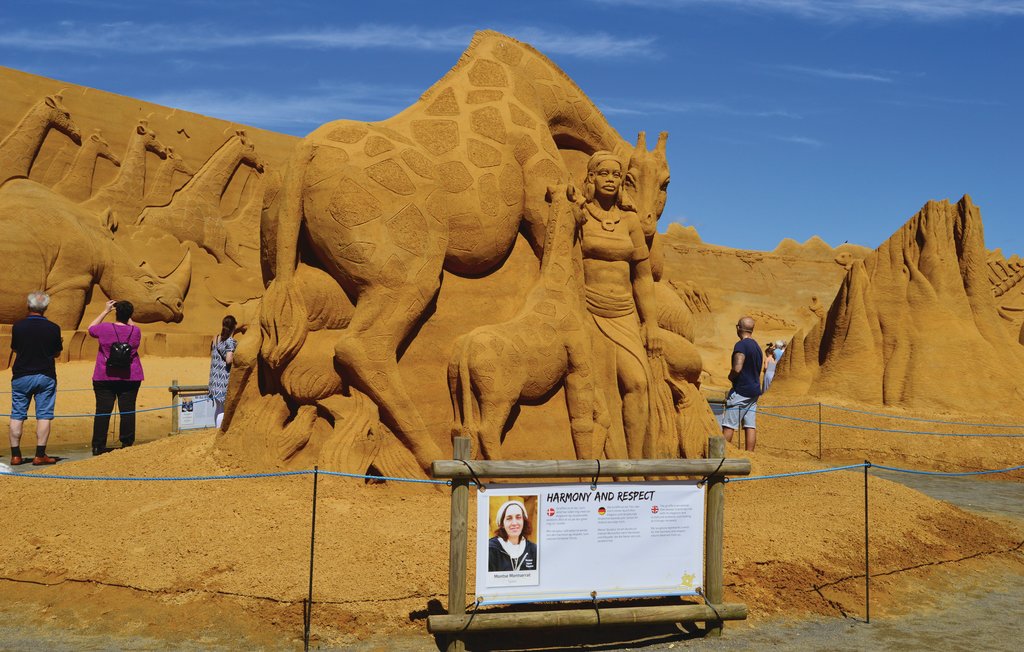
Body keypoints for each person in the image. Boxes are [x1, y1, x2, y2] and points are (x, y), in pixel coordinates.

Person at [578, 151, 662, 459]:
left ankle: (635, 462)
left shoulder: (630, 222)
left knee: (638, 383)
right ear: (591, 178)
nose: (610, 179)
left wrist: (650, 323)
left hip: (624, 314)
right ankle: (601, 461)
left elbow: (642, 277)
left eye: (616, 175)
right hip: (587, 311)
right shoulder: (582, 215)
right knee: (595, 391)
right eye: (604, 174)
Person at [8, 292, 63, 465]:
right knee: (44, 415)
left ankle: (16, 455)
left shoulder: (18, 326)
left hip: (22, 374)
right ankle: (40, 454)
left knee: (17, 414)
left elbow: (15, 349)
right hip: (45, 375)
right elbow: (57, 353)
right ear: (45, 307)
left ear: (28, 305)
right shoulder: (53, 328)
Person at [87, 299, 143, 455]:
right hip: (130, 376)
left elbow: (90, 328)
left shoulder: (104, 328)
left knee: (103, 411)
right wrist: (127, 314)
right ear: (130, 315)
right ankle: (126, 443)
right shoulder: (135, 331)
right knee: (127, 411)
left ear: (116, 313)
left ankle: (98, 445)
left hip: (104, 375)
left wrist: (105, 311)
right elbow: (131, 326)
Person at [721, 316, 762, 451]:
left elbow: (737, 367)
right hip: (754, 392)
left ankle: (722, 455)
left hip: (741, 391)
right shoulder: (757, 346)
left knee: (729, 425)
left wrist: (730, 377)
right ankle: (750, 455)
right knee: (750, 425)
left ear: (738, 328)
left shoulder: (741, 345)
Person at [487, 500, 538, 572]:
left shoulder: (533, 549)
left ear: (524, 521)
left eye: (518, 517)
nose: (514, 523)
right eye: (509, 518)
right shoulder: (491, 548)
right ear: (502, 524)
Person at [208, 315, 237, 428]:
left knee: (218, 407)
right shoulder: (230, 341)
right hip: (223, 379)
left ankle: (216, 428)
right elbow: (229, 359)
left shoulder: (215, 338)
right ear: (234, 327)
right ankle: (218, 431)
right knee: (223, 409)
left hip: (214, 379)